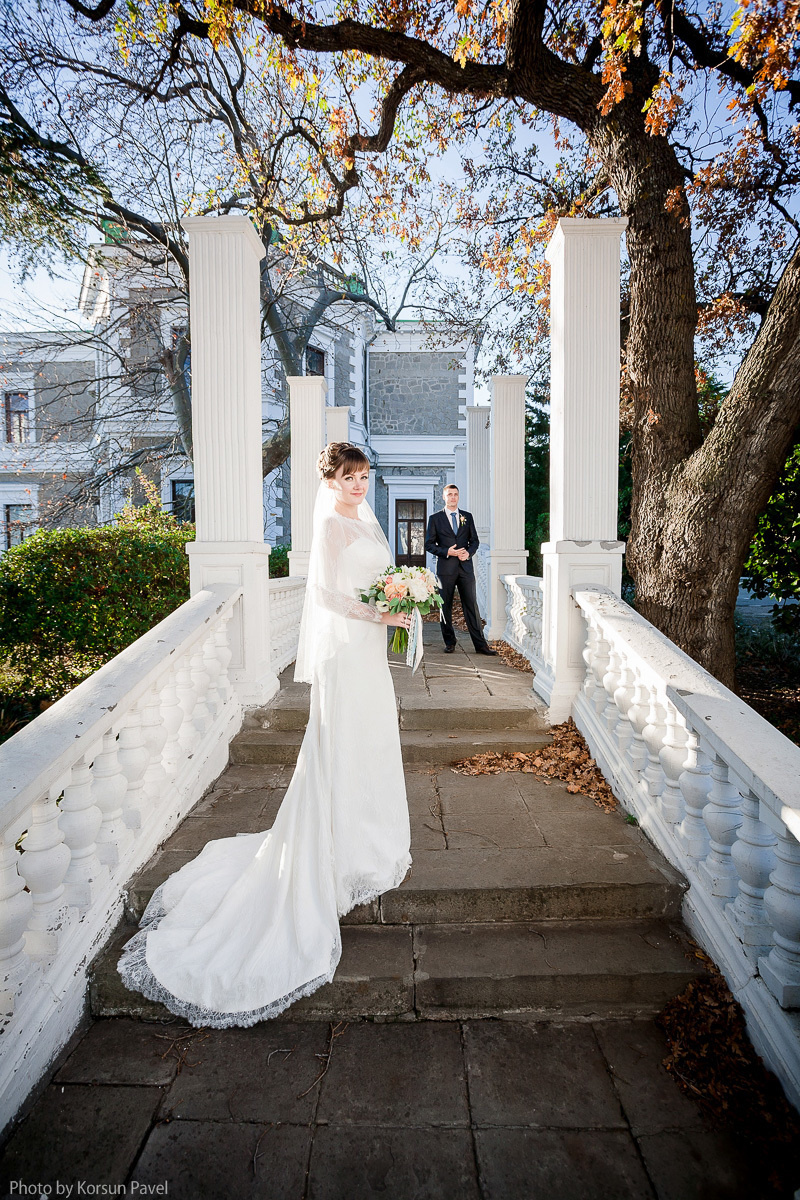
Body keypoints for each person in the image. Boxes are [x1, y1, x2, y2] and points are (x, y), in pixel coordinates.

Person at [118, 443, 412, 1026]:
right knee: (342, 742)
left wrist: (402, 595)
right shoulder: (330, 524)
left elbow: (382, 578)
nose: (359, 484)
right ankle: (331, 845)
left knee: (373, 740)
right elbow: (325, 595)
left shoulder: (370, 518)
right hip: (348, 652)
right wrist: (381, 613)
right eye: (349, 477)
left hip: (371, 652)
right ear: (331, 482)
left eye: (363, 475)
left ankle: (366, 836)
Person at [425, 484, 498, 656]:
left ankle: (481, 645)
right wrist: (446, 551)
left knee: (471, 606)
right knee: (445, 607)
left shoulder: (467, 517)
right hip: (446, 569)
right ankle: (449, 642)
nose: (452, 497)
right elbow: (429, 544)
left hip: (465, 569)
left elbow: (475, 541)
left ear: (458, 497)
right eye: (449, 494)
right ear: (444, 497)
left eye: (455, 494)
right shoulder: (435, 519)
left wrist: (469, 553)